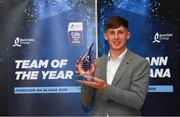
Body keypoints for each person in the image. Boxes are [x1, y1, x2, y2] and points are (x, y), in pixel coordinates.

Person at [76, 16, 150, 116]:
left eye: (120, 32)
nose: (116, 37)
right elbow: (86, 103)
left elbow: (137, 101)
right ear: (105, 36)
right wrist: (88, 78)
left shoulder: (140, 63)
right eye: (112, 33)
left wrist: (105, 88)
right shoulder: (97, 63)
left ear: (128, 35)